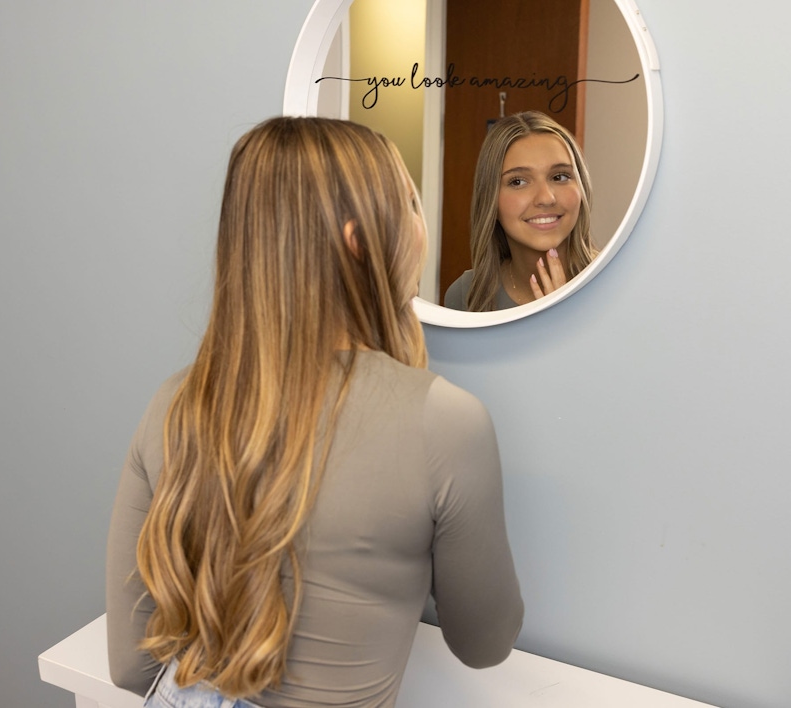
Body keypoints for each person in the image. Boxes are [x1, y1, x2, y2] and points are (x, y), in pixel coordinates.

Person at [106, 116, 523, 708]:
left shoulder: (174, 402)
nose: (422, 222)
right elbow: (485, 643)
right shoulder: (444, 423)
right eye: (410, 202)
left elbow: (131, 664)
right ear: (359, 241)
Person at [444, 111, 597, 312]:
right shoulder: (466, 294)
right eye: (518, 181)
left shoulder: (620, 282)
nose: (546, 198)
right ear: (491, 200)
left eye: (559, 177)